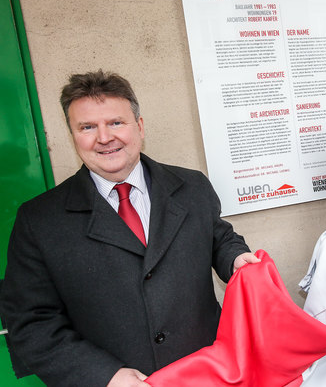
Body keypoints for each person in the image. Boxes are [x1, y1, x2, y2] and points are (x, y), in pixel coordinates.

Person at [0, 70, 260, 387]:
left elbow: (218, 238)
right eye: (87, 127)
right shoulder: (38, 220)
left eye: (115, 123)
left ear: (139, 126)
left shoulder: (192, 186)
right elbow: (31, 322)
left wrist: (235, 258)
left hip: (210, 373)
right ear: (73, 136)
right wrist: (103, 376)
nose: (104, 137)